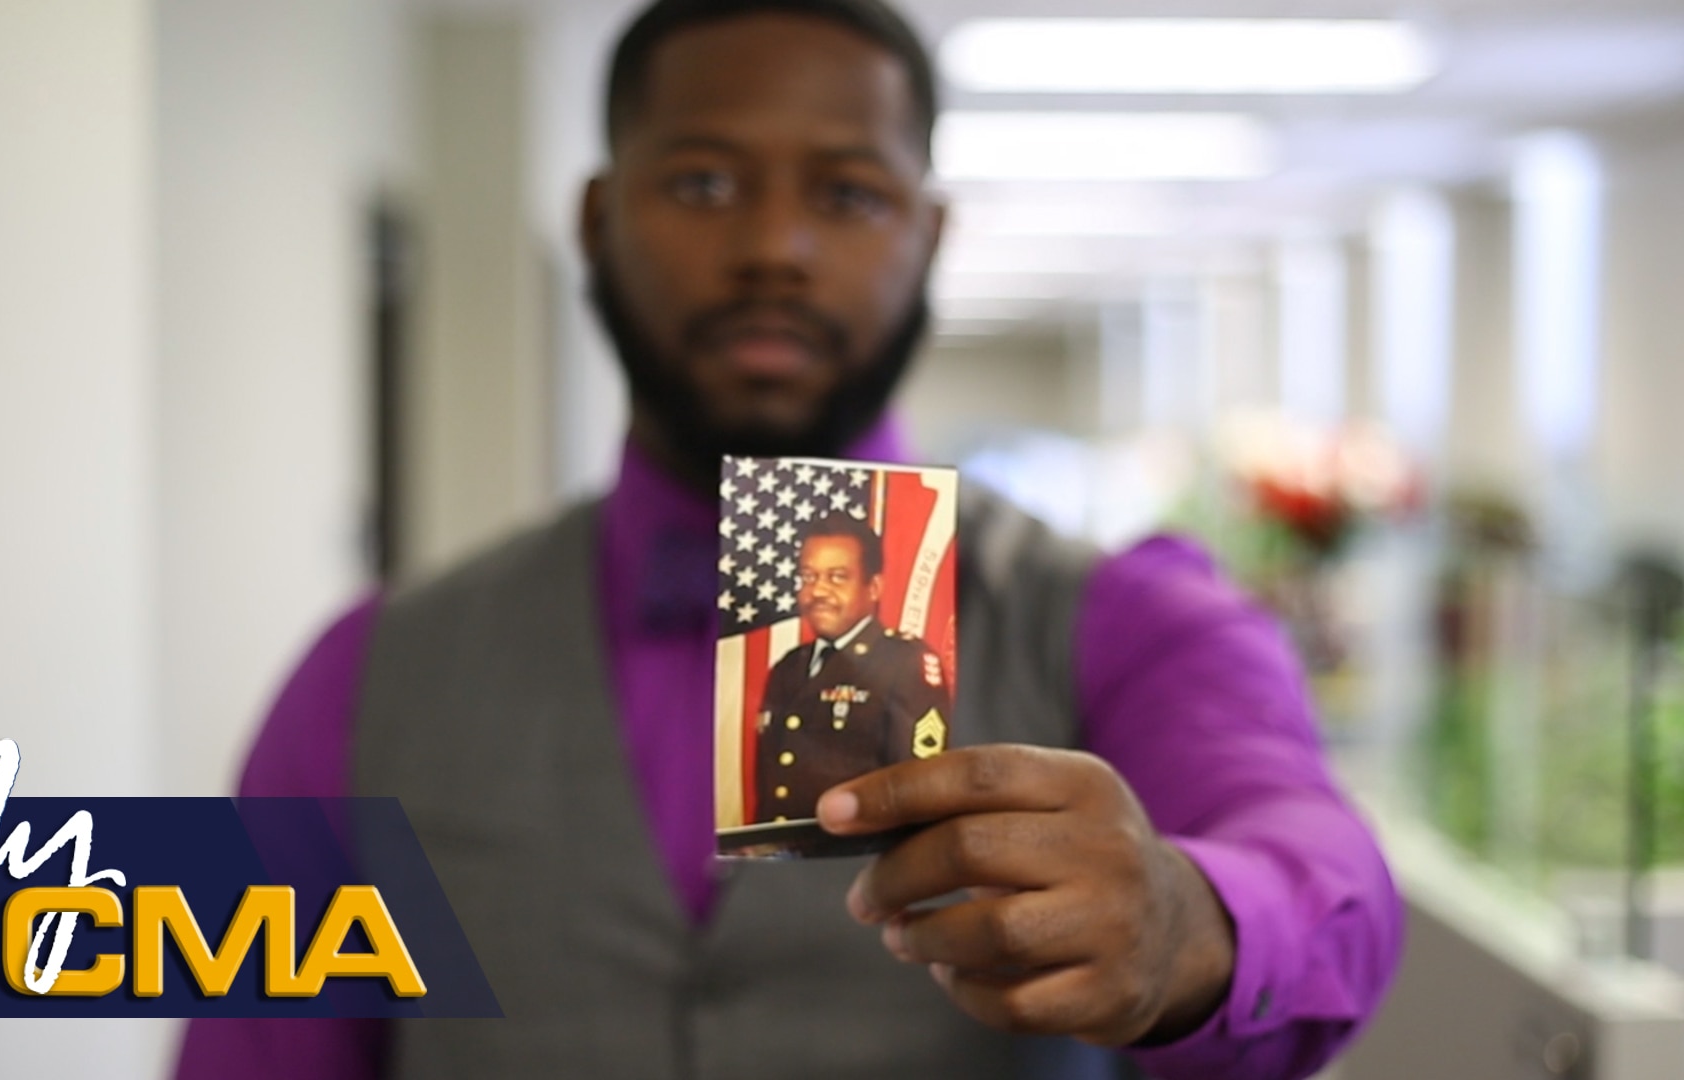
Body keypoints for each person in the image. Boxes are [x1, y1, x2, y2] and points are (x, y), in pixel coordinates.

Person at [177, 0, 1401, 1076]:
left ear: (928, 237)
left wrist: (1189, 924)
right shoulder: (370, 674)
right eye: (704, 182)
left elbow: (1318, 864)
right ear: (600, 219)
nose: (775, 247)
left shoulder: (1125, 624)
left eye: (848, 194)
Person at [752, 511, 951, 825]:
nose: (817, 591)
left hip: (860, 861)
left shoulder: (905, 662)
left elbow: (919, 788)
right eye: (808, 576)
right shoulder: (788, 668)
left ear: (873, 587)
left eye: (837, 577)